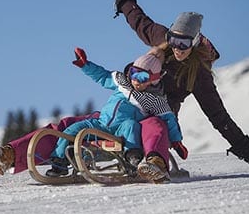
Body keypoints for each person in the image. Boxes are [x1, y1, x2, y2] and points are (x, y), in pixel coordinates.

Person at [109, 0, 249, 175]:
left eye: (184, 43)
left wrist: (248, 153)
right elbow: (138, 20)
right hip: (138, 97)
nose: (178, 48)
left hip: (164, 111)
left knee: (155, 125)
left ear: (195, 42)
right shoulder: (160, 38)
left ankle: (152, 160)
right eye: (174, 41)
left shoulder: (198, 74)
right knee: (120, 115)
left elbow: (218, 116)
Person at [45, 47, 188, 183]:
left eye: (143, 77)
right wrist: (85, 65)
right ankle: (59, 163)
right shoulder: (122, 82)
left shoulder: (154, 100)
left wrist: (176, 142)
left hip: (121, 129)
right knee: (72, 129)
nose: (136, 80)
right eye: (134, 73)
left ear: (153, 79)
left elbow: (169, 119)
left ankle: (133, 159)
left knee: (131, 126)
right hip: (100, 124)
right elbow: (103, 76)